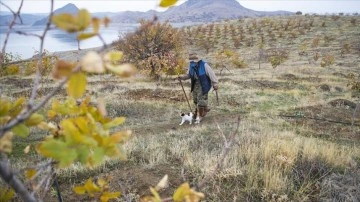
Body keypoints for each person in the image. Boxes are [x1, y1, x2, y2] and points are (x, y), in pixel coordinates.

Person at [178, 53, 218, 122]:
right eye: (191, 61)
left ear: (197, 60)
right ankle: (203, 110)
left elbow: (211, 74)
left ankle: (200, 115)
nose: (192, 62)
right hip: (195, 84)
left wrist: (215, 83)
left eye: (193, 61)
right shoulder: (191, 65)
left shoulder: (204, 65)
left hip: (204, 83)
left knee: (201, 99)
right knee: (195, 99)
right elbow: (189, 75)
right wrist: (182, 77)